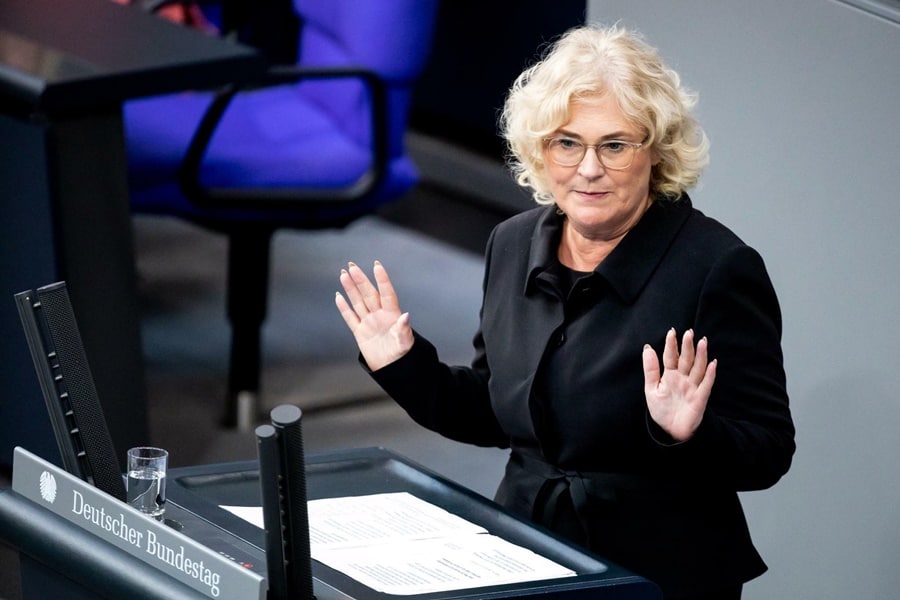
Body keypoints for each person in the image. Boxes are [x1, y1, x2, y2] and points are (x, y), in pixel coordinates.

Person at [335, 24, 795, 600]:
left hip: (657, 575)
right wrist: (402, 363)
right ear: (540, 149)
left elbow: (768, 451)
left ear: (656, 151)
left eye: (615, 145)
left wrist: (690, 434)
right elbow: (495, 412)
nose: (589, 168)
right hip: (529, 549)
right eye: (567, 143)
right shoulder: (512, 242)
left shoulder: (717, 268)